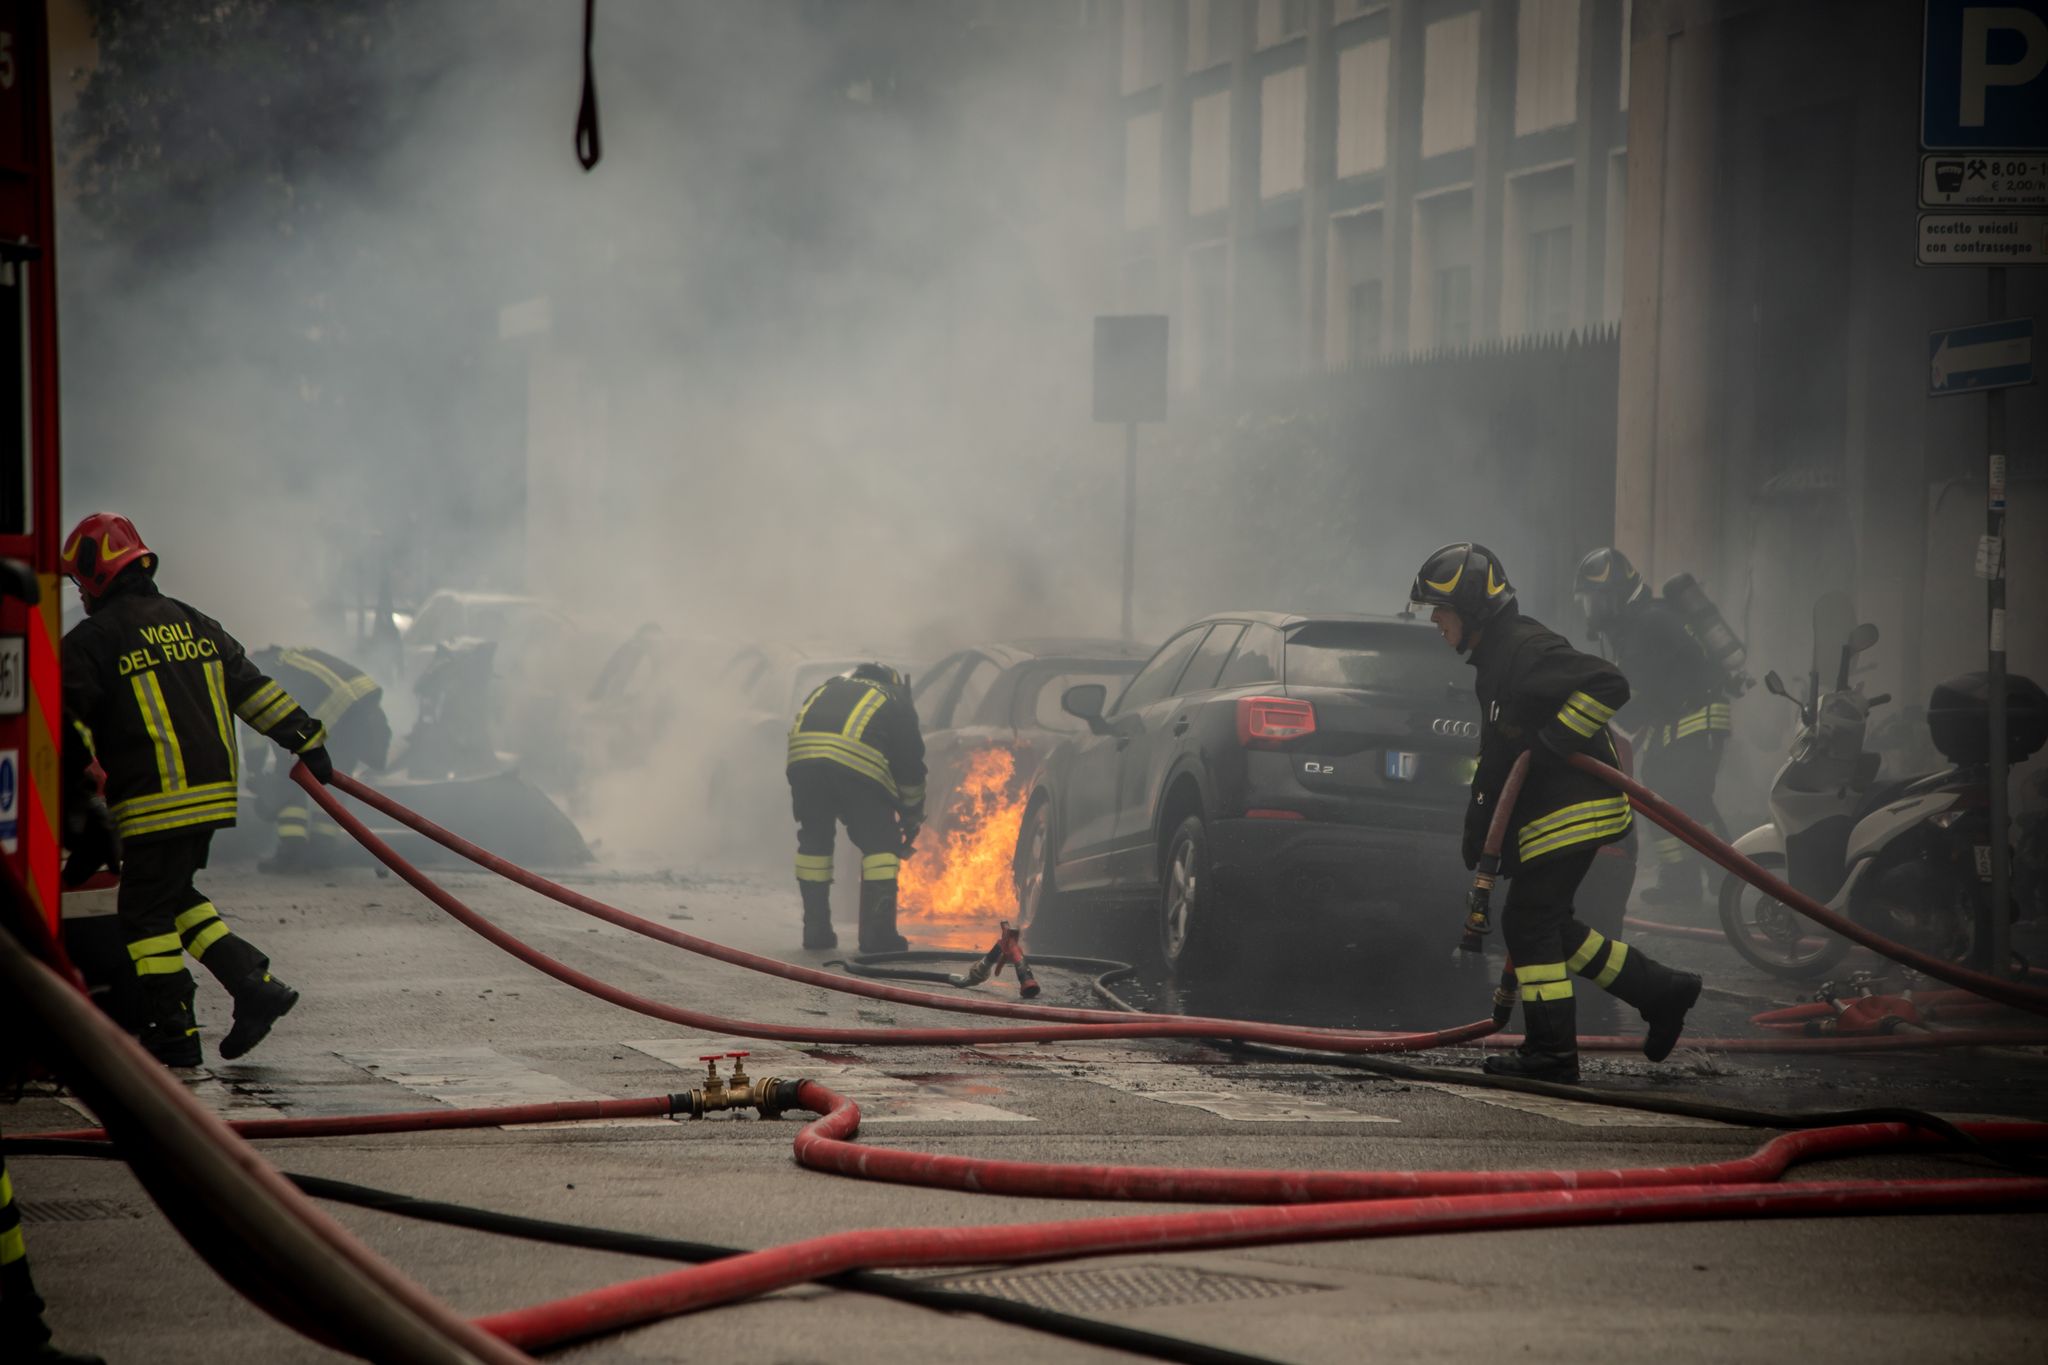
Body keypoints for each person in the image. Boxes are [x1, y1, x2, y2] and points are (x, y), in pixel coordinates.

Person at [1410, 542, 1701, 1082]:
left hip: (1572, 814)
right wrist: (1481, 835)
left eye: (1441, 609)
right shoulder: (1496, 660)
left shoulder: (1526, 649)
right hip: (1552, 817)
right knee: (1544, 924)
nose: (1434, 620)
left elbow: (1610, 684)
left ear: (1472, 609)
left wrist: (1554, 741)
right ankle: (1661, 991)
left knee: (1529, 922)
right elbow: (1500, 754)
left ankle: (1552, 1052)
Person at [60, 513, 334, 1068]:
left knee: (143, 916)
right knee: (170, 894)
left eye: (79, 582)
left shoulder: (92, 641)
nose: (80, 594)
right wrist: (304, 736)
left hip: (153, 798)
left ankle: (174, 1030)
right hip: (211, 793)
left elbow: (64, 724)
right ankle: (252, 984)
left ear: (95, 574)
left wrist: (77, 800)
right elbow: (252, 689)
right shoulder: (195, 622)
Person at [1574, 546, 1730, 905]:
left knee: (1688, 794)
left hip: (1698, 715)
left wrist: (1589, 728)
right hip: (1677, 718)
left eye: (1596, 601)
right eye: (1586, 603)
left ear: (1616, 597)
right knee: (1662, 788)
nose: (1592, 611)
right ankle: (1681, 883)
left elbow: (1633, 693)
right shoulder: (1639, 624)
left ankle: (1726, 876)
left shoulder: (1646, 624)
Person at [786, 663, 927, 953]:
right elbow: (910, 766)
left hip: (803, 764)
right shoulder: (894, 697)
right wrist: (911, 814)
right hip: (854, 764)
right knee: (880, 846)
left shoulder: (827, 687)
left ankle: (815, 931)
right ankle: (878, 936)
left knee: (815, 843)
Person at [247, 645, 391, 873]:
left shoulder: (255, 673)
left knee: (288, 774)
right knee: (333, 777)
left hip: (336, 707)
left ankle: (291, 851)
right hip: (363, 705)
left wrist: (254, 769)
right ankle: (321, 851)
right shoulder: (289, 658)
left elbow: (252, 730)